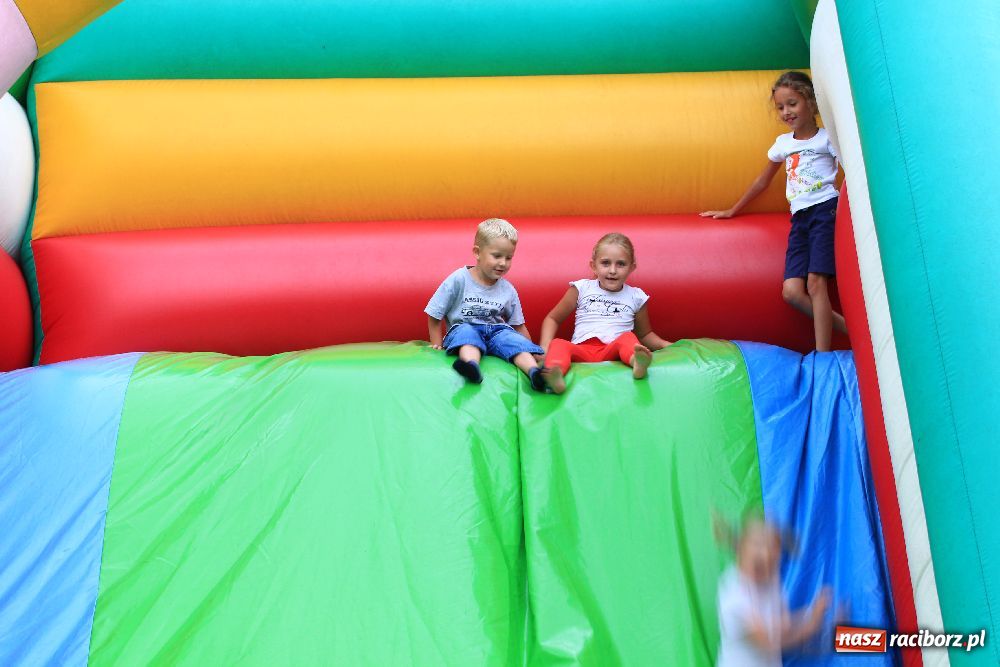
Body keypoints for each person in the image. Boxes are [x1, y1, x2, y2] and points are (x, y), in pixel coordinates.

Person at [701, 71, 846, 351]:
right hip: (800, 217)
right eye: (780, 107)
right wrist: (733, 210)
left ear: (810, 102)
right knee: (792, 292)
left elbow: (852, 172)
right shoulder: (783, 144)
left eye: (792, 103)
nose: (786, 112)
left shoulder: (826, 139)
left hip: (825, 210)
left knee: (816, 283)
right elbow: (762, 181)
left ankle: (822, 354)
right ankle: (850, 330)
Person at [537, 233, 670, 394]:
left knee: (628, 338)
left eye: (621, 264)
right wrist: (544, 347)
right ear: (593, 266)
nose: (612, 270)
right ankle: (555, 374)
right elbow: (553, 318)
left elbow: (645, 334)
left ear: (632, 267)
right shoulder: (582, 288)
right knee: (559, 343)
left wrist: (665, 345)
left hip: (614, 351)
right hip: (582, 350)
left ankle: (637, 363)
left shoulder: (636, 296)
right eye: (605, 263)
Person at [425, 218, 549, 390]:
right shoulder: (459, 279)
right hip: (464, 328)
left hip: (496, 332)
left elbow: (518, 326)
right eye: (497, 256)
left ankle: (534, 372)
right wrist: (436, 344)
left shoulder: (508, 289)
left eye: (508, 258)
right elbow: (434, 313)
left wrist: (531, 349)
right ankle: (471, 367)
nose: (503, 263)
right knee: (467, 334)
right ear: (477, 252)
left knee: (510, 338)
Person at [716, 515, 830, 667]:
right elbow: (769, 640)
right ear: (741, 553)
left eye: (771, 563)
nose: (766, 568)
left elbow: (783, 625)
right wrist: (811, 624)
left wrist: (817, 617)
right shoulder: (733, 596)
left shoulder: (771, 580)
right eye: (759, 562)